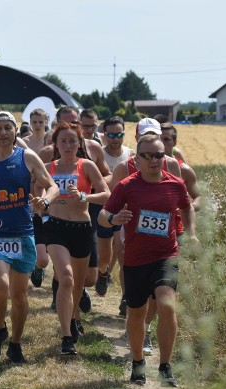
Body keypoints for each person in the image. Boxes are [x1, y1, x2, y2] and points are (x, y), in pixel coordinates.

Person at [99, 134, 199, 387]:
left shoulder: (176, 184)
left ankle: (165, 366)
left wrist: (192, 234)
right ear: (138, 159)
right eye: (149, 155)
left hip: (166, 255)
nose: (155, 160)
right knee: (136, 313)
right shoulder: (127, 186)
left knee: (167, 305)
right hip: (135, 259)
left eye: (159, 155)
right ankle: (137, 361)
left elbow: (186, 207)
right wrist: (113, 220)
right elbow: (102, 215)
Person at [0, 111, 58, 363]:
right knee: (0, 285)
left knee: (20, 295)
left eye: (8, 128)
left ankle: (16, 343)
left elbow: (51, 185)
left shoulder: (27, 157)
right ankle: (0, 327)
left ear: (14, 131)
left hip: (22, 234)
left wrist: (44, 200)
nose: (3, 133)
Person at [41, 122, 109, 354]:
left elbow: (106, 195)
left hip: (81, 228)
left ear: (79, 143)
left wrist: (84, 197)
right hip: (56, 228)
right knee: (66, 278)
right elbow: (40, 192)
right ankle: (66, 337)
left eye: (72, 141)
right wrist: (41, 203)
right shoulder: (48, 167)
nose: (68, 145)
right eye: (63, 141)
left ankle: (74, 317)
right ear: (56, 145)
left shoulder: (87, 166)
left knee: (79, 283)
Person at [138, 122, 202, 355]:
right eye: (158, 139)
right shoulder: (136, 166)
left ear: (173, 143)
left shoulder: (180, 168)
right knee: (145, 291)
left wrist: (189, 213)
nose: (161, 144)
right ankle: (138, 323)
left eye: (166, 140)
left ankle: (147, 331)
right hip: (139, 236)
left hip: (172, 234)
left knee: (162, 288)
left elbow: (191, 199)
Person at [108, 117, 181, 317]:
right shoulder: (125, 167)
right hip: (131, 226)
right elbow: (112, 200)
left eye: (155, 135)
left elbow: (181, 200)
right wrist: (116, 219)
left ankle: (147, 323)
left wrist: (184, 229)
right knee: (125, 258)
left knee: (160, 287)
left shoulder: (172, 164)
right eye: (145, 134)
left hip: (165, 235)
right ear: (137, 137)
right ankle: (129, 299)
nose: (153, 157)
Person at [95, 116, 135, 297]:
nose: (115, 138)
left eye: (119, 134)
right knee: (104, 256)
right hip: (103, 211)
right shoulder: (98, 155)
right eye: (111, 135)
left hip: (124, 211)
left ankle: (126, 299)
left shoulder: (132, 155)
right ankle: (103, 273)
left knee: (122, 252)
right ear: (104, 135)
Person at [23, 108, 50, 288]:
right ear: (30, 122)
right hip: (27, 189)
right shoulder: (24, 142)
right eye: (35, 122)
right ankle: (35, 260)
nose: (38, 125)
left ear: (46, 121)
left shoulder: (51, 141)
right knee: (32, 226)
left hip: (47, 189)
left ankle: (41, 260)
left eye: (41, 122)